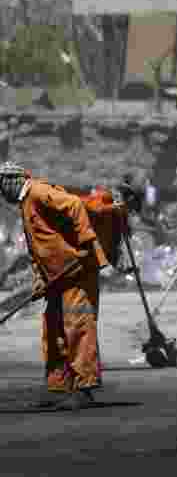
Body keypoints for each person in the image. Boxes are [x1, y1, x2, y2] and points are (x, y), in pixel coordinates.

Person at [0, 162, 113, 409]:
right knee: (53, 329)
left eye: (1, 186)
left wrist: (85, 241)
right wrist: (40, 280)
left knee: (78, 326)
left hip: (77, 271)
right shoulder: (25, 203)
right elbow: (39, 247)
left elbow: (73, 204)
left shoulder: (38, 192)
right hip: (57, 277)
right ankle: (59, 387)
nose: (1, 194)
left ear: (11, 180)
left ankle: (84, 388)